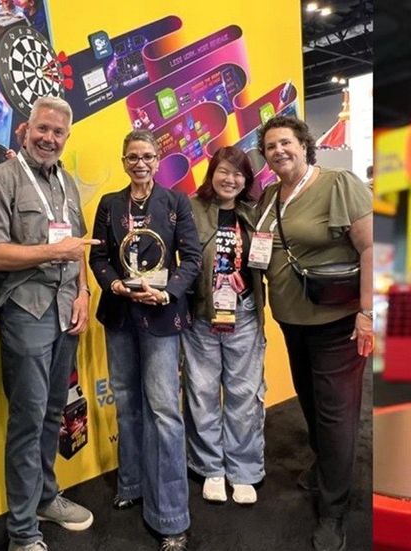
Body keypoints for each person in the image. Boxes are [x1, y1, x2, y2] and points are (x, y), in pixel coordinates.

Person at [0, 96, 96, 551]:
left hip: (65, 311)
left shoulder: (65, 181)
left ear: (66, 138)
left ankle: (46, 497)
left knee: (51, 414)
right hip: (25, 313)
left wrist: (83, 292)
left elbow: (77, 246)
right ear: (26, 130)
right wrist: (52, 253)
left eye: (58, 133)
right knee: (28, 419)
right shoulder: (1, 179)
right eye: (42, 129)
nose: (49, 138)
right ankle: (23, 532)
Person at [255, 116, 373, 551]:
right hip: (292, 322)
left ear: (305, 145)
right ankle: (326, 467)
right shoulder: (270, 196)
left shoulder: (338, 184)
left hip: (337, 324)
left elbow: (371, 246)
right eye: (270, 146)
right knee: (309, 399)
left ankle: (334, 510)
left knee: (337, 416)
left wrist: (368, 312)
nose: (278, 151)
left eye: (286, 142)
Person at [88, 130, 200, 551]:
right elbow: (98, 256)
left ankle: (170, 515)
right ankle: (131, 483)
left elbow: (190, 259)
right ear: (123, 161)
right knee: (128, 404)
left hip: (160, 313)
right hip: (119, 314)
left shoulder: (175, 203)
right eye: (133, 156)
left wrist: (168, 291)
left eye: (148, 156)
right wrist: (113, 284)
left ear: (158, 160)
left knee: (165, 414)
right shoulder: (110, 205)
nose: (140, 163)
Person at [181, 146, 267, 506]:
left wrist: (245, 283)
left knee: (244, 394)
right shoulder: (189, 208)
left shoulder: (255, 214)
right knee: (201, 393)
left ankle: (244, 469)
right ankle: (210, 467)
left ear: (246, 180)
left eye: (238, 173)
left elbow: (266, 260)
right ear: (211, 173)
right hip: (200, 316)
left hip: (244, 315)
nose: (230, 179)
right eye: (223, 171)